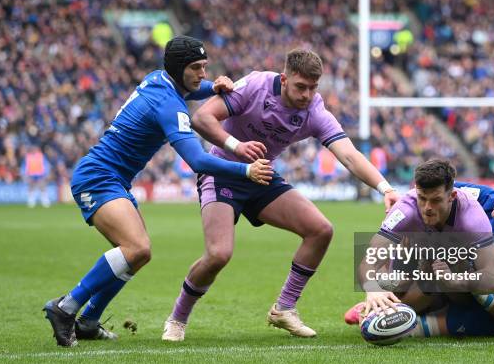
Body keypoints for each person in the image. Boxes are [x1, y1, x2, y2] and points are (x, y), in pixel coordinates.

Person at [43, 36, 273, 347]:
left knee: (137, 255)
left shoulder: (159, 80)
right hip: (98, 178)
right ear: (179, 69)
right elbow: (196, 160)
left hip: (110, 178)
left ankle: (88, 320)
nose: (203, 74)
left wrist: (215, 88)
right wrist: (245, 169)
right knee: (136, 248)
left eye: (205, 67)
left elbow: (194, 88)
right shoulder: (168, 105)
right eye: (196, 68)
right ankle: (66, 307)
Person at [161, 48, 400, 341]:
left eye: (313, 88)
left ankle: (284, 308)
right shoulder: (255, 86)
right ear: (284, 79)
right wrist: (237, 146)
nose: (307, 95)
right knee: (218, 254)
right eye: (301, 87)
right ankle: (177, 319)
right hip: (223, 171)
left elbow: (348, 155)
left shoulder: (314, 111)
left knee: (320, 230)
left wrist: (385, 188)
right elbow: (202, 118)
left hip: (261, 177)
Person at [346, 175, 494, 338]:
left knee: (405, 330)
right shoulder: (486, 198)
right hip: (459, 278)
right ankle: (381, 301)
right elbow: (440, 188)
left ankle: (381, 312)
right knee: (417, 248)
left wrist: (462, 276)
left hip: (490, 316)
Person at [347, 159, 494, 318]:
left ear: (452, 196)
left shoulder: (472, 218)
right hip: (417, 250)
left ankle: (381, 312)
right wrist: (373, 289)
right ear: (416, 190)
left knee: (457, 294)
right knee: (391, 283)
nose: (427, 207)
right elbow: (369, 261)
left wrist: (455, 281)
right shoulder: (405, 209)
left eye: (436, 200)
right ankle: (376, 305)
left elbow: (493, 279)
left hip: (455, 262)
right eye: (422, 198)